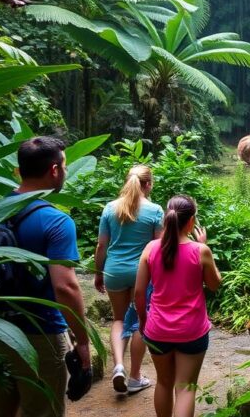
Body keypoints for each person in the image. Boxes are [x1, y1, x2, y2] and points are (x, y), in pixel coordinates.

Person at [0, 136, 91, 417]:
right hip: (39, 333)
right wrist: (82, 340)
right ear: (55, 170)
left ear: (20, 170)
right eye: (65, 165)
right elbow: (66, 287)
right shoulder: (56, 221)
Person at [135, 196, 222, 417]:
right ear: (191, 221)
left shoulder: (151, 248)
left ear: (167, 218)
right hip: (191, 331)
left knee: (163, 383)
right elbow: (214, 285)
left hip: (157, 330)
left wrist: (143, 321)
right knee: (185, 388)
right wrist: (204, 246)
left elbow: (139, 292)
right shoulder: (200, 251)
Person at [94, 164, 162, 394]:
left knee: (118, 319)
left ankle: (119, 367)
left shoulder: (110, 208)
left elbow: (101, 245)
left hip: (113, 270)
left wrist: (98, 273)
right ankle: (135, 377)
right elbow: (157, 248)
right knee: (139, 321)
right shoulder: (155, 211)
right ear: (148, 184)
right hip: (141, 272)